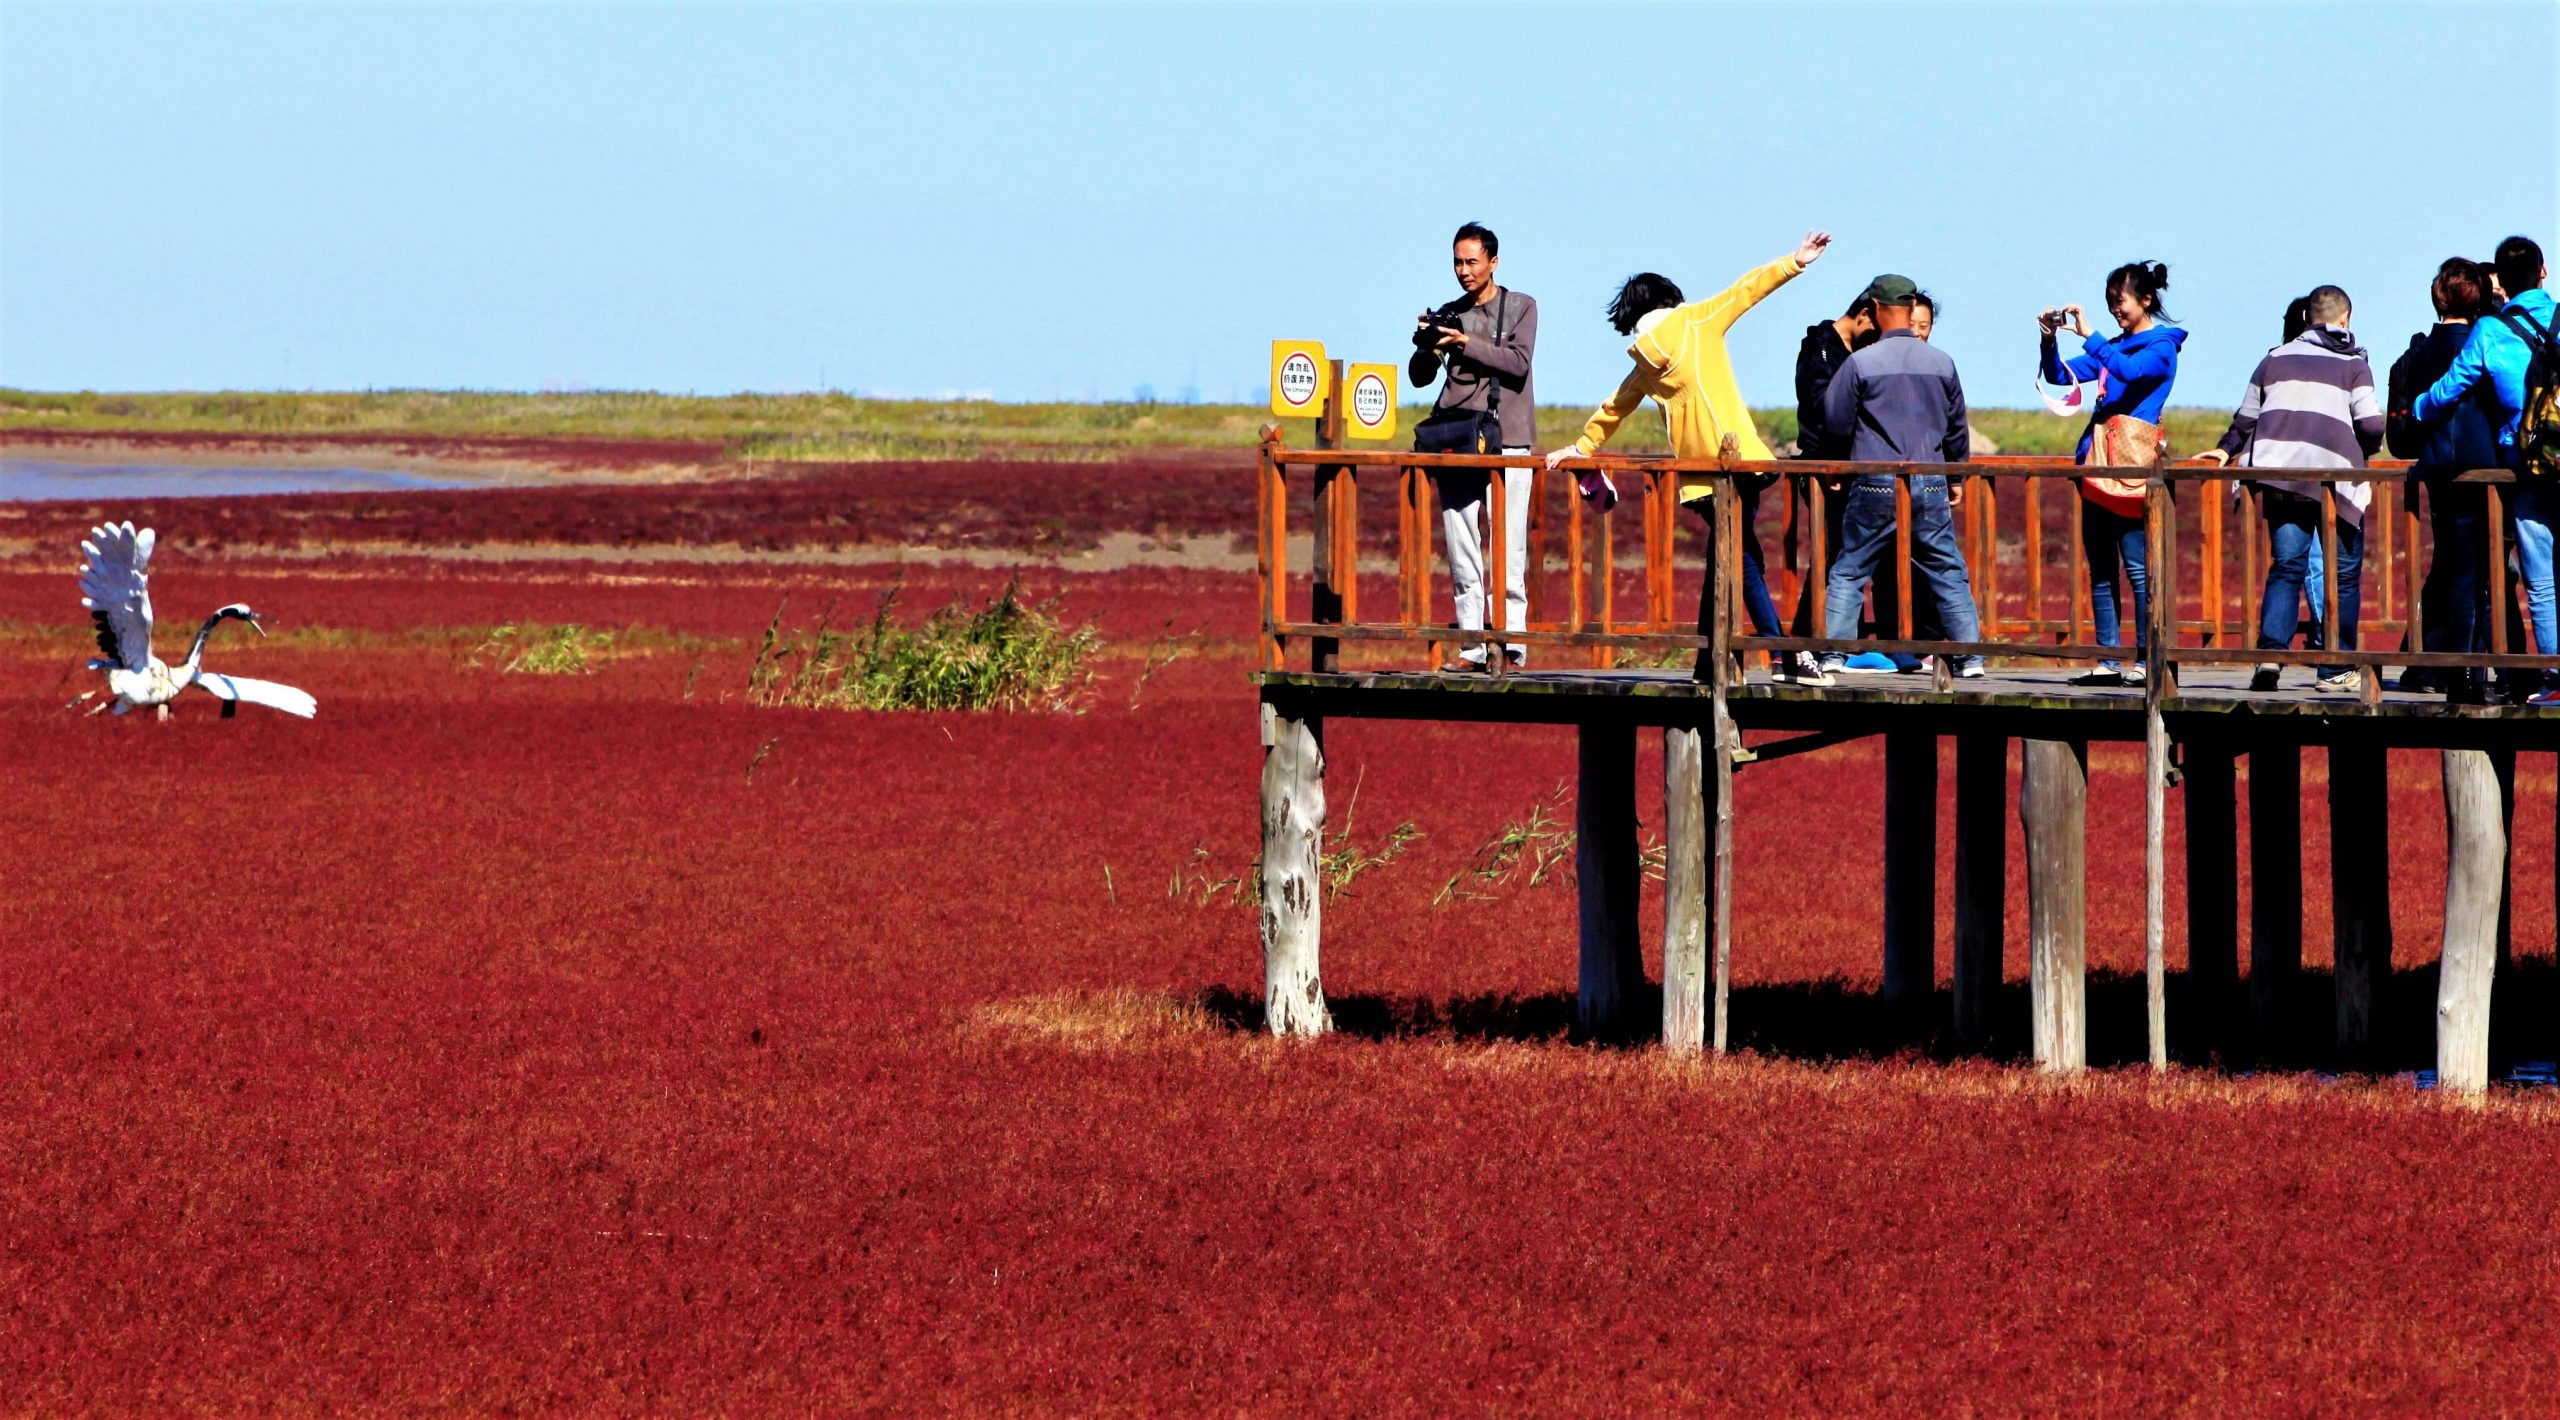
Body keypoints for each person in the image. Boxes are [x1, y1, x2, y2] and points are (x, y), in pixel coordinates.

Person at [1547, 229, 1834, 682]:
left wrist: (1581, 447)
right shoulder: (1696, 322)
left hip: (1697, 479)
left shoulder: (1644, 361)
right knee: (1741, 559)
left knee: (1731, 555)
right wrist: (1794, 261)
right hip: (1740, 463)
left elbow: (1615, 406)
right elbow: (1746, 291)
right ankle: (1784, 656)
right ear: (1670, 299)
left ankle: (1708, 662)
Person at [2197, 285, 2386, 693]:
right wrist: (2361, 448)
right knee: (2344, 576)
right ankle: (2335, 668)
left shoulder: (2273, 360)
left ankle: (2269, 659)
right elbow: (2371, 425)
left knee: (2286, 568)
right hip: (2334, 485)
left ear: (2306, 319)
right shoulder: (2353, 364)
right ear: (2345, 319)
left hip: (2281, 478)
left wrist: (2224, 449)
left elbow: (2245, 419)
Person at [1816, 275, 1987, 679]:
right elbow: (1956, 427)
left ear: (1875, 308)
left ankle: (1835, 654)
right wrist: (1955, 476)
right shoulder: (1942, 363)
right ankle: (1970, 657)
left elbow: (1835, 421)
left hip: (1874, 478)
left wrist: (1838, 465)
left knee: (1850, 569)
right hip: (1930, 477)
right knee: (1945, 568)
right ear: (1912, 309)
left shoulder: (1861, 362)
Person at [2414, 234, 2558, 705]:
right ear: (2544, 272)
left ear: (2500, 281)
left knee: (2541, 579)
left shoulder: (2491, 331)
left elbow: (2451, 386)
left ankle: (2555, 679)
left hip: (2529, 465)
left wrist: (2416, 407)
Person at [2038, 262, 2187, 687]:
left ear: (2146, 300)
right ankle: (2107, 660)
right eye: (2109, 304)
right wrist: (2048, 340)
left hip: (2132, 468)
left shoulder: (2162, 346)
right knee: (2100, 568)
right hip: (2098, 463)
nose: (2114, 310)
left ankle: (2144, 659)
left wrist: (2092, 339)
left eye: (2119, 302)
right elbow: (2058, 376)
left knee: (2138, 569)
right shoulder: (2114, 346)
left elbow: (2132, 372)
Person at [1410, 222, 1538, 671]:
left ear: (1493, 262)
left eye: (1471, 262)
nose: (1463, 271)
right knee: (1461, 544)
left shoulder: (1522, 307)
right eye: (1457, 263)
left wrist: (1466, 341)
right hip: (1459, 438)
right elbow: (1420, 377)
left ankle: (1512, 645)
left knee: (1509, 546)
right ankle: (1472, 646)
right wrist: (1427, 343)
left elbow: (1518, 363)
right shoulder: (1451, 311)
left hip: (1510, 440)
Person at [2388, 258, 2504, 702]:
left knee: (2455, 569)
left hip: (2436, 470)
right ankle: (2472, 673)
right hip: (2488, 470)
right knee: (2478, 576)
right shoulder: (2487, 344)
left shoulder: (2418, 354)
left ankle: (2450, 669)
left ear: (2437, 297)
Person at [1782, 292, 1881, 683]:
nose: (1875, 340)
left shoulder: (1847, 350)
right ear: (1861, 315)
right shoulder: (1821, 349)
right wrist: (1833, 460)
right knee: (1832, 556)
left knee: (1843, 554)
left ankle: (1836, 642)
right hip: (1825, 467)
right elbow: (1820, 410)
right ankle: (1810, 641)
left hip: (1846, 467)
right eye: (1874, 329)